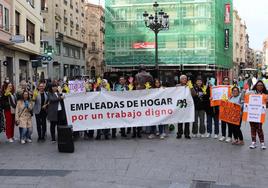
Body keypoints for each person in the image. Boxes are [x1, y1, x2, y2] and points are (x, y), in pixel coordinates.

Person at [133, 65, 153, 138]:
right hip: (147, 95)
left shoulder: (137, 75)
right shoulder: (149, 75)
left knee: (139, 113)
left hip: (139, 95)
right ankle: (148, 129)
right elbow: (152, 84)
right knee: (148, 112)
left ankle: (140, 129)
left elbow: (135, 84)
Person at [248, 80, 267, 150]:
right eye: (258, 85)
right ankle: (253, 142)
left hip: (260, 114)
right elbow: (245, 98)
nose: (260, 86)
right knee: (252, 128)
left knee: (259, 128)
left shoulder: (265, 94)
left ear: (263, 87)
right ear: (256, 86)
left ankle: (262, 143)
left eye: (261, 85)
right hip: (251, 114)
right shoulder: (252, 92)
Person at [176, 75, 193, 139]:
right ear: (180, 80)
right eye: (183, 79)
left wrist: (190, 87)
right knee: (179, 120)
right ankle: (179, 133)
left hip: (187, 106)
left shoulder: (189, 85)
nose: (184, 80)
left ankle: (187, 134)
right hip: (180, 106)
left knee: (187, 121)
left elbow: (194, 94)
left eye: (185, 78)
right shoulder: (177, 86)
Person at [219, 77, 232, 143]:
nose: (226, 82)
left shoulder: (231, 88)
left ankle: (229, 136)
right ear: (223, 81)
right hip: (222, 107)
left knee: (229, 123)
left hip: (230, 107)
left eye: (227, 81)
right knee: (223, 123)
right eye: (225, 81)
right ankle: (223, 135)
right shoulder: (220, 88)